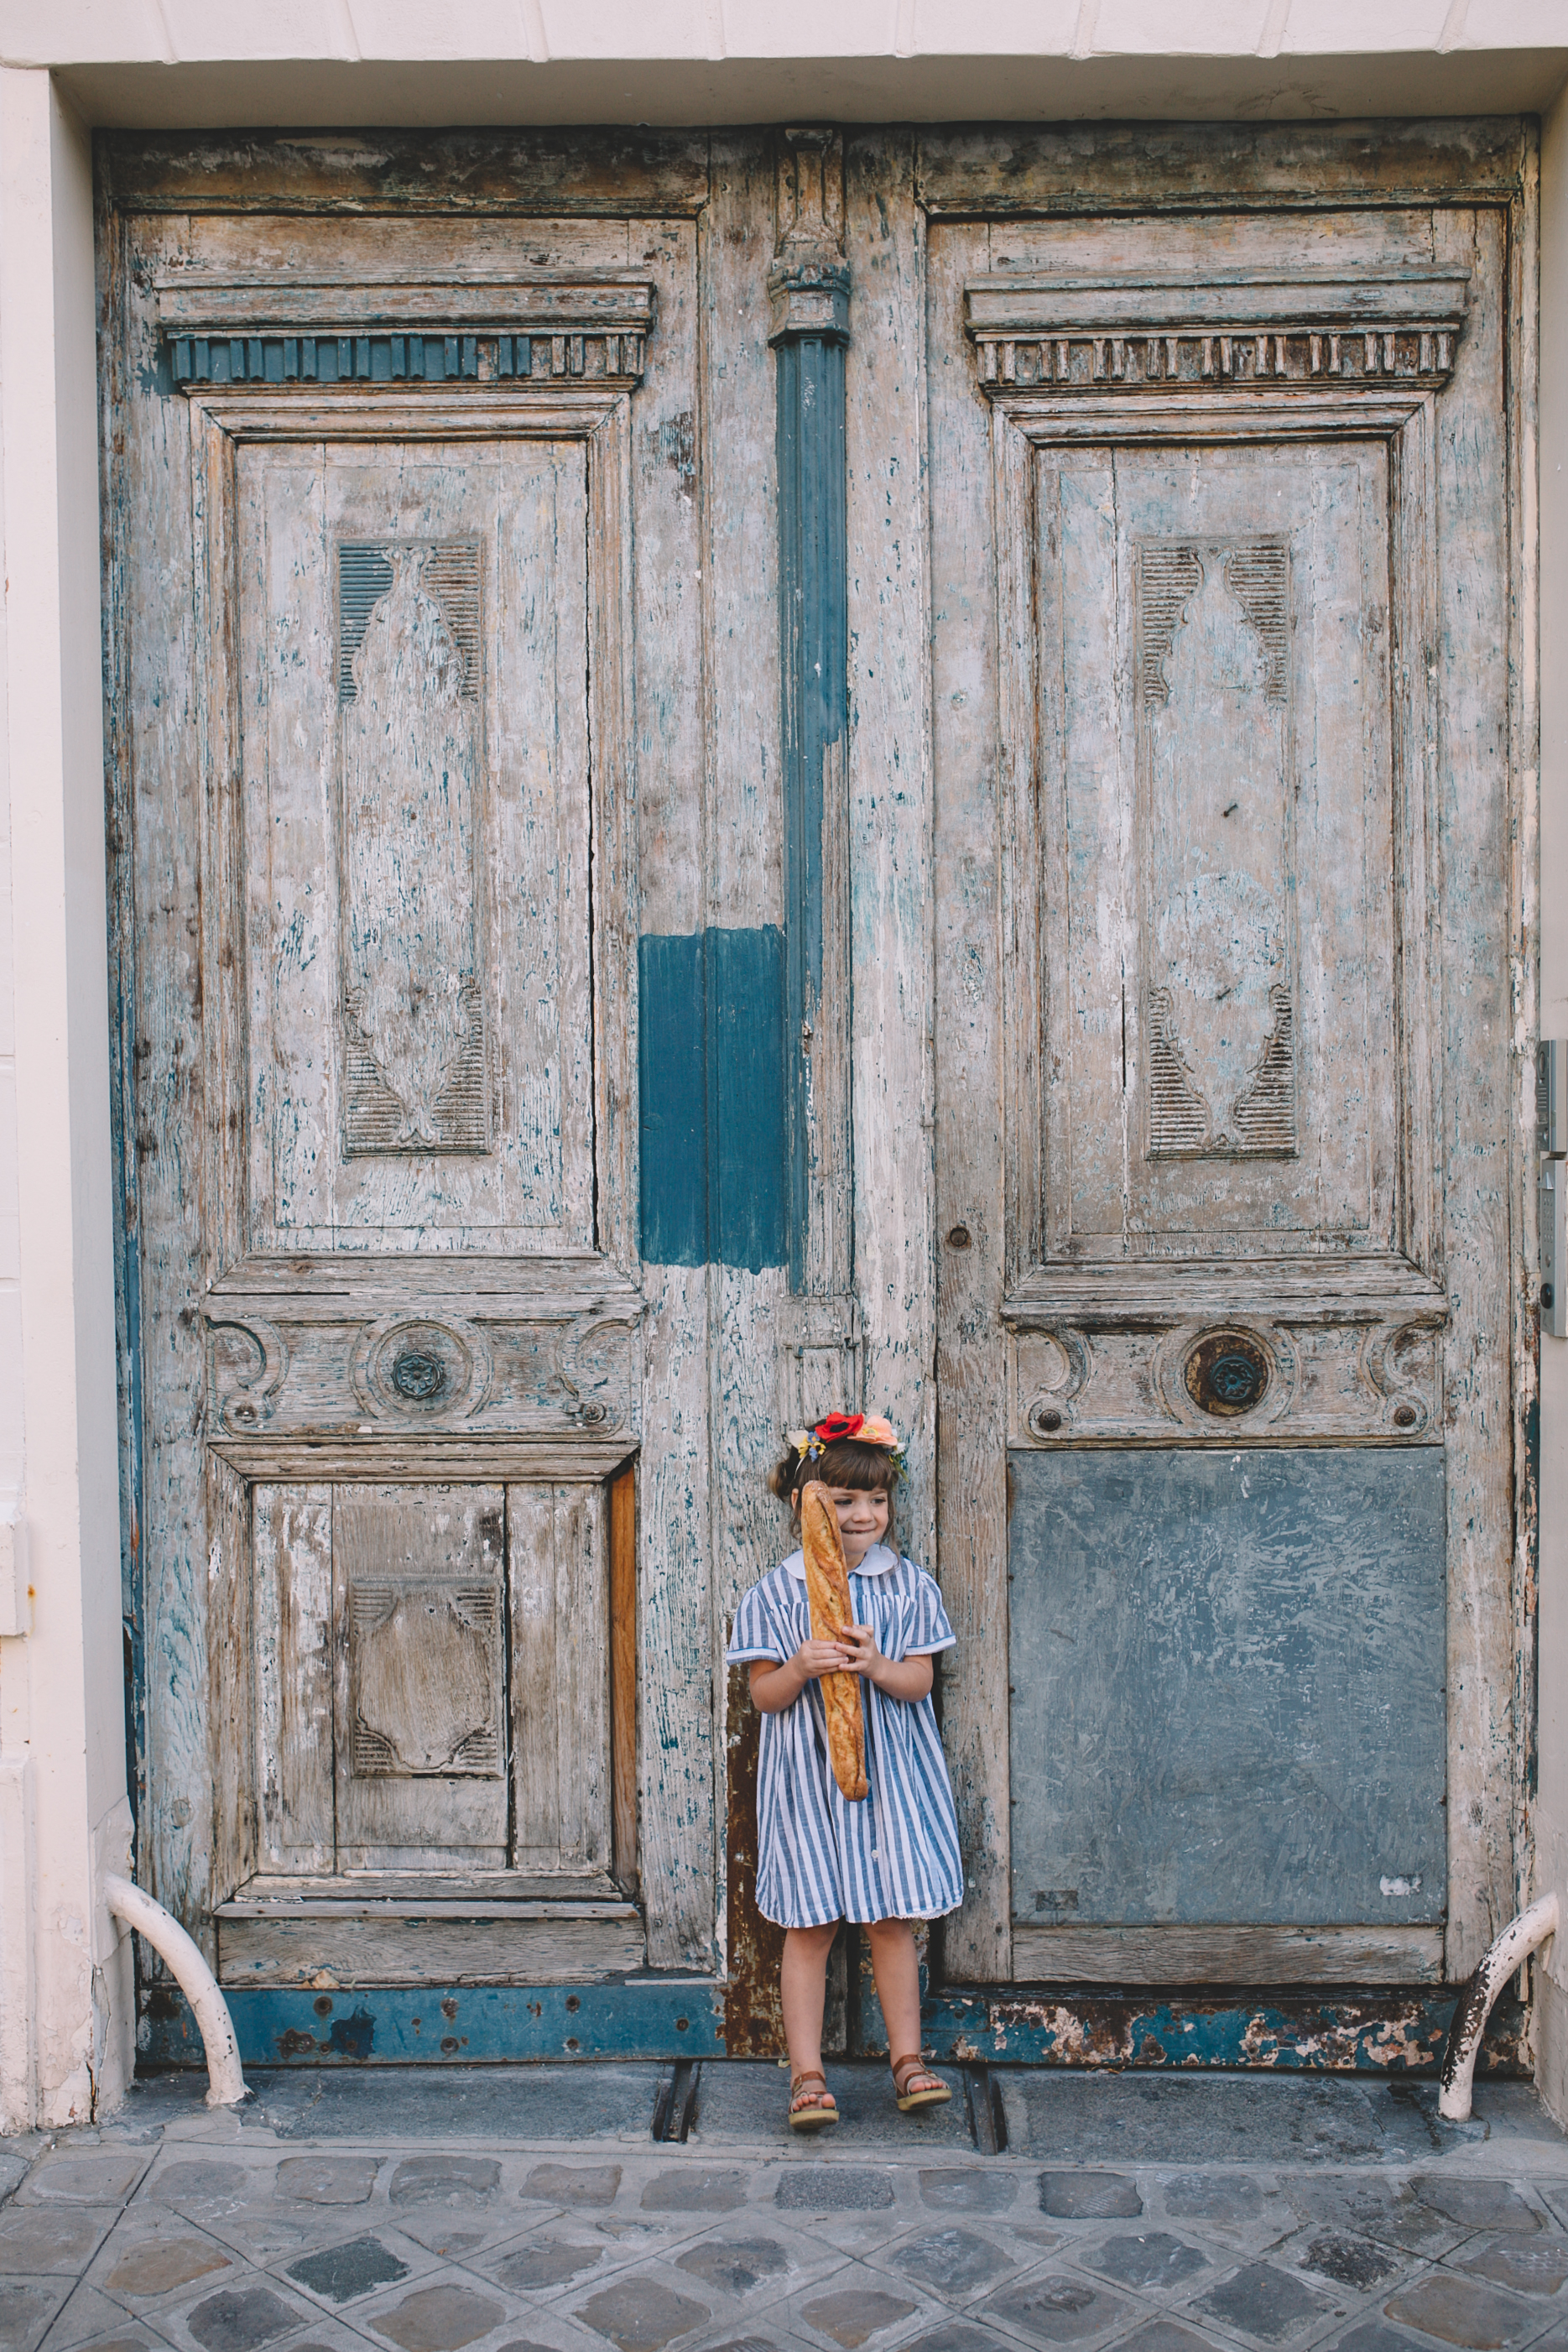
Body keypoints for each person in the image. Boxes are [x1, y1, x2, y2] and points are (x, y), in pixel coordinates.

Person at [726, 1411, 965, 2130]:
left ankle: (908, 2059)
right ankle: (805, 2072)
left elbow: (919, 1682)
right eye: (843, 1500)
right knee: (811, 1927)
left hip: (889, 1779)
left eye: (877, 1500)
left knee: (892, 1921)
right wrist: (799, 1664)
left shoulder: (907, 1586)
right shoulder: (774, 1593)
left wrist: (876, 1664)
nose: (864, 1515)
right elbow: (764, 1696)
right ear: (808, 1503)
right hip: (807, 1784)